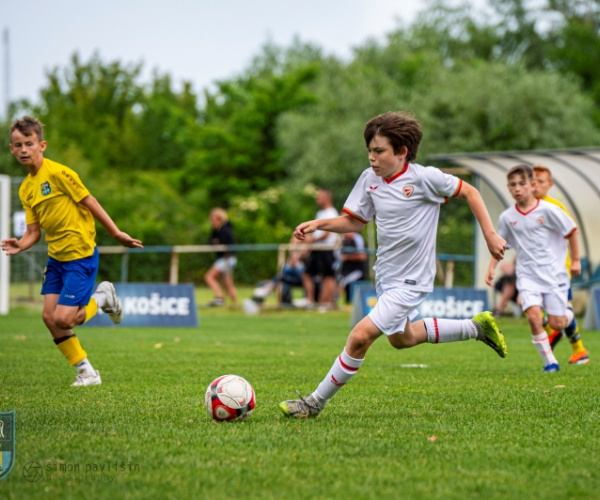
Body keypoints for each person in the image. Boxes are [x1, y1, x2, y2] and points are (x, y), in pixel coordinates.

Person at [279, 111, 507, 419]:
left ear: (401, 152)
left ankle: (314, 403)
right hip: (386, 277)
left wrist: (491, 235)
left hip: (412, 281)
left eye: (379, 151)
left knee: (360, 337)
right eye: (370, 151)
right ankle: (476, 328)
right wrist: (318, 224)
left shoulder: (425, 178)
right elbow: (354, 222)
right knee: (403, 339)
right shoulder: (369, 179)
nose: (372, 158)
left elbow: (470, 191)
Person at [1, 116, 143, 387]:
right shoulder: (26, 189)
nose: (23, 150)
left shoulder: (59, 173)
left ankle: (102, 298)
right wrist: (20, 244)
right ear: (11, 148)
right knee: (48, 317)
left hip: (80, 255)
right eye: (17, 145)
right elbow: (33, 232)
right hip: (56, 258)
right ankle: (86, 372)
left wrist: (116, 233)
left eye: (28, 144)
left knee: (65, 318)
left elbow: (90, 201)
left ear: (41, 145)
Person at [485, 164, 581, 373]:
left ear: (533, 185)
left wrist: (576, 260)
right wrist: (492, 267)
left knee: (557, 323)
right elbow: (501, 244)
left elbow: (572, 231)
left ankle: (568, 316)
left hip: (555, 275)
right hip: (527, 276)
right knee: (533, 316)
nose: (517, 188)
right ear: (508, 188)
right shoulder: (507, 217)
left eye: (522, 183)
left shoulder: (549, 210)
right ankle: (550, 363)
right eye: (512, 185)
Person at [532, 165, 589, 365]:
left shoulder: (554, 206)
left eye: (541, 181)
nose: (536, 185)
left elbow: (571, 231)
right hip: (536, 270)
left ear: (550, 185)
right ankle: (556, 334)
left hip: (557, 270)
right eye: (533, 181)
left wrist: (575, 259)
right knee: (530, 305)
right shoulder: (525, 207)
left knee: (561, 311)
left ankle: (579, 350)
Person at [301, 189, 340, 309]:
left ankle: (327, 303)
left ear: (327, 198)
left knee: (328, 277)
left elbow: (327, 234)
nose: (317, 199)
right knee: (307, 273)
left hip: (326, 249)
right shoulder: (320, 213)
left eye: (320, 197)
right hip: (317, 249)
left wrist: (311, 239)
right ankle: (311, 301)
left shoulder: (331, 213)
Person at [252, 234, 310, 306]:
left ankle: (269, 288)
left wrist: (295, 247)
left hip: (304, 274)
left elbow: (295, 262)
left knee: (285, 270)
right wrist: (293, 248)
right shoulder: (294, 248)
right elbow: (291, 262)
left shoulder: (307, 247)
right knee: (284, 270)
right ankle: (270, 290)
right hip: (293, 272)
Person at [204, 208, 237, 307]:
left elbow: (223, 244)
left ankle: (219, 298)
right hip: (223, 259)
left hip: (227, 259)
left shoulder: (226, 230)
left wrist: (217, 243)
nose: (212, 221)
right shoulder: (215, 230)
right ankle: (235, 304)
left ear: (220, 219)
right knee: (228, 284)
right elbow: (211, 242)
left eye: (214, 219)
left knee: (209, 277)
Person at [338, 232, 369, 304]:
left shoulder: (358, 239)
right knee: (337, 279)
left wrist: (347, 257)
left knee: (343, 281)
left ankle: (338, 303)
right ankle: (336, 302)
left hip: (358, 271)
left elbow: (362, 257)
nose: (343, 234)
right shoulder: (344, 240)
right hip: (345, 271)